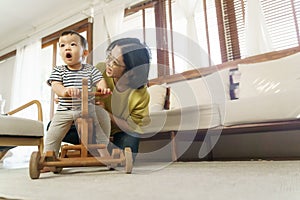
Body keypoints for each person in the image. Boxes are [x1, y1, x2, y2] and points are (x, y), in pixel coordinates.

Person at [44, 30, 111, 158]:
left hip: (89, 107)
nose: (67, 47)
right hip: (65, 109)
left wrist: (103, 89)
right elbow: (55, 85)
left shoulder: (91, 69)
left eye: (73, 44)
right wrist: (65, 91)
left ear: (84, 53)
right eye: (62, 45)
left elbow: (100, 80)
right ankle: (49, 156)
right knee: (54, 133)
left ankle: (103, 148)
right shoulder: (59, 70)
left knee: (103, 116)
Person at [96, 38, 151, 160]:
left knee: (126, 157)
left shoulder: (140, 94)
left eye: (114, 62)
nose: (108, 63)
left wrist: (106, 114)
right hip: (95, 126)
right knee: (56, 125)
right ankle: (104, 147)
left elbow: (133, 127)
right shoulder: (100, 70)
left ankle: (109, 148)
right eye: (109, 56)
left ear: (131, 72)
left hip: (120, 131)